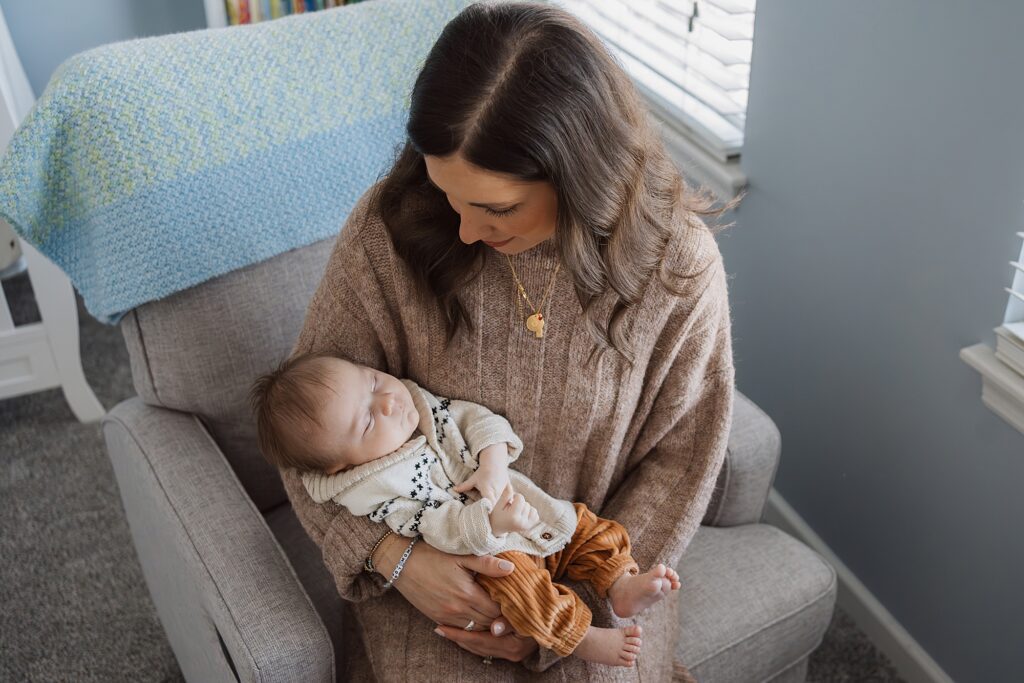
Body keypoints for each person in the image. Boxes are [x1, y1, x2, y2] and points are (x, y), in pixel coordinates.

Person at [277, 1, 737, 680]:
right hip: (434, 588)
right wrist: (395, 559)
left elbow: (680, 462)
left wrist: (560, 616)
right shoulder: (390, 229)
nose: (463, 230)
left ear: (581, 176)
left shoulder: (678, 269)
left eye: (495, 208)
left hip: (598, 589)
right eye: (448, 195)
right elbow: (307, 441)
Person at [251, 353, 684, 667]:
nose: (385, 400)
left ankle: (621, 582)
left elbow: (476, 419)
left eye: (371, 380)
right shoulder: (376, 490)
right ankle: (581, 637)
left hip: (529, 509)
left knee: (586, 526)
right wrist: (490, 522)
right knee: (524, 593)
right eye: (366, 422)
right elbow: (435, 528)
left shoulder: (417, 407)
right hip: (488, 557)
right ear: (342, 466)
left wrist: (494, 461)